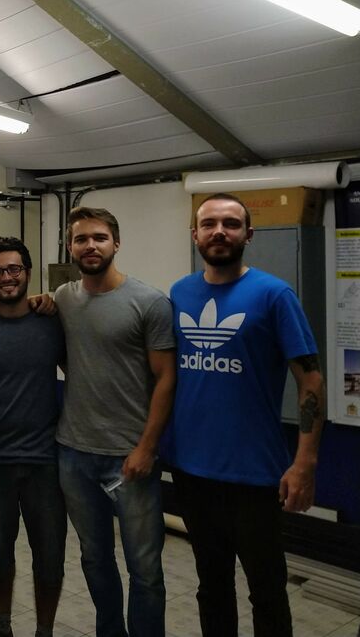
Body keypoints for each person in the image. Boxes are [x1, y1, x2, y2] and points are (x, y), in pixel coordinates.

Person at [166, 193, 324, 637]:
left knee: (266, 591)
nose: (219, 231)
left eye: (231, 224)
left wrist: (305, 462)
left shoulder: (275, 295)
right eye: (209, 223)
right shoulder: (180, 293)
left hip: (254, 474)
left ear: (248, 234)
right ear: (195, 234)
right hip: (192, 470)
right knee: (212, 586)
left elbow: (311, 380)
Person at [54, 206, 176, 637]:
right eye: (81, 239)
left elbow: (166, 379)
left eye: (99, 238)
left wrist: (147, 448)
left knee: (145, 568)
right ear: (70, 247)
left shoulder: (150, 302)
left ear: (116, 243)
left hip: (129, 458)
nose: (90, 245)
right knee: (94, 559)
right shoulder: (63, 298)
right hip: (74, 453)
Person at [0, 237, 67, 637]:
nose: (6, 277)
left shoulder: (53, 322)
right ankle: (3, 626)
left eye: (14, 269)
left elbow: (82, 374)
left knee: (50, 558)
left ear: (27, 272)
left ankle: (44, 630)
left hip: (46, 461)